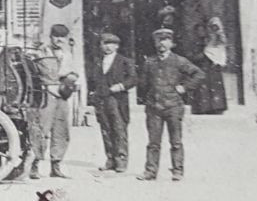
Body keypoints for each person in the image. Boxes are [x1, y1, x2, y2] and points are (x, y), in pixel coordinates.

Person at [138, 27, 206, 182]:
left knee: (175, 141)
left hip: (173, 107)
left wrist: (184, 87)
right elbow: (143, 82)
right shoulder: (150, 61)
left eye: (165, 40)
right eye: (158, 41)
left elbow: (199, 74)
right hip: (154, 107)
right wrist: (148, 96)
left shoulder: (179, 61)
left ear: (171, 43)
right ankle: (150, 171)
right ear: (155, 43)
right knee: (153, 142)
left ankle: (177, 170)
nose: (161, 44)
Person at [25, 24, 78, 179]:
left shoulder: (68, 54)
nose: (59, 40)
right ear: (50, 37)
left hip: (62, 94)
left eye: (62, 37)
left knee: (61, 130)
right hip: (45, 93)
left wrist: (70, 80)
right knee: (42, 129)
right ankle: (35, 165)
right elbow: (36, 71)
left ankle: (56, 165)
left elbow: (74, 72)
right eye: (56, 36)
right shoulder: (41, 51)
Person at [88, 31, 139, 173]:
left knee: (119, 130)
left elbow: (133, 79)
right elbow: (93, 80)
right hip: (102, 100)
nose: (108, 47)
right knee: (106, 129)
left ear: (117, 46)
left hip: (118, 101)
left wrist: (121, 86)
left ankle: (121, 160)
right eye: (105, 43)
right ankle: (110, 159)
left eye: (112, 44)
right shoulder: (97, 62)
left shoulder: (125, 61)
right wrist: (93, 93)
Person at [190, 15, 230, 115]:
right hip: (204, 66)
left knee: (215, 86)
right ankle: (203, 107)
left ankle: (217, 107)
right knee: (203, 88)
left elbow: (218, 50)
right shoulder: (201, 42)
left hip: (213, 66)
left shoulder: (218, 39)